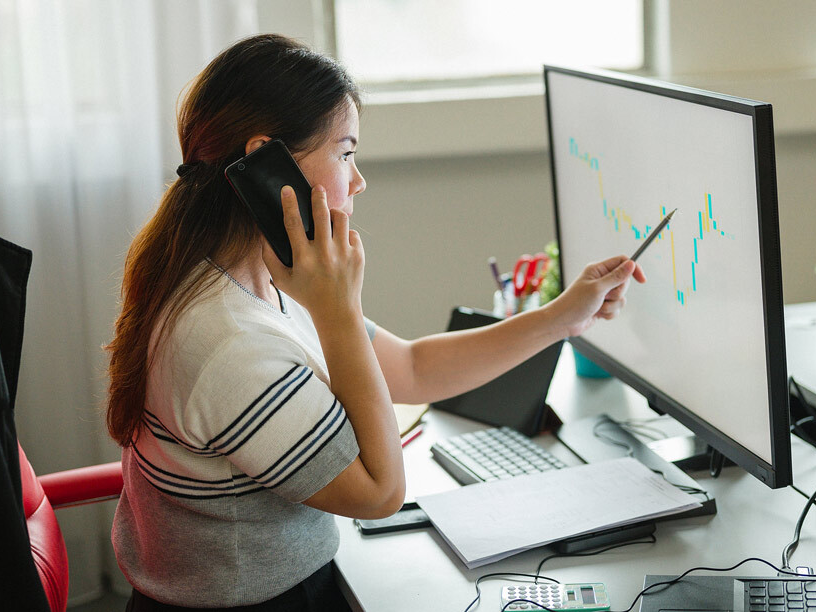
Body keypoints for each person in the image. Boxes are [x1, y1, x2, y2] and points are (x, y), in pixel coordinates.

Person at [105, 33, 646, 611]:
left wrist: (562, 315)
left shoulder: (256, 277)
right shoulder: (228, 343)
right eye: (345, 153)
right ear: (268, 161)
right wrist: (337, 314)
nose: (359, 180)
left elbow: (413, 368)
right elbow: (381, 492)